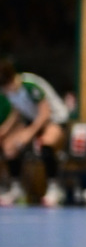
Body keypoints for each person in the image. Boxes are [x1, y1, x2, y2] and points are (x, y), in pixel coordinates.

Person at [0, 59, 69, 206]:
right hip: (34, 121)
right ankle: (17, 188)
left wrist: (28, 135)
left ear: (10, 80)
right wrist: (4, 130)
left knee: (46, 143)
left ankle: (54, 187)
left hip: (54, 119)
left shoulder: (29, 85)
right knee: (9, 147)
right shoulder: (10, 91)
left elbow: (44, 114)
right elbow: (16, 112)